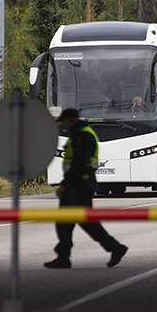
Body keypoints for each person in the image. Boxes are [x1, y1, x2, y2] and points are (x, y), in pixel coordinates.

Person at [44, 108, 128, 269]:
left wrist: (65, 184)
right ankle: (114, 248)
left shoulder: (82, 135)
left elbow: (78, 163)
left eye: (64, 122)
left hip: (79, 184)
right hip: (80, 183)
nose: (63, 126)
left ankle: (65, 257)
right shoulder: (80, 133)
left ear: (71, 120)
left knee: (69, 222)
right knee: (81, 222)